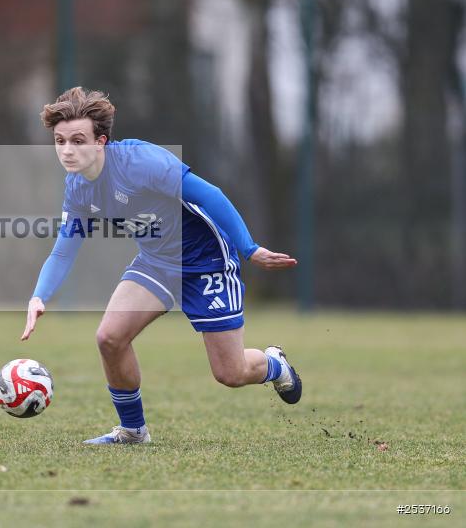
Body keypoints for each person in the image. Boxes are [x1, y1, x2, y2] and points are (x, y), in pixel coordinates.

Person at [21, 87, 301, 445]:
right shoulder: (78, 187)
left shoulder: (141, 161)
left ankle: (275, 364)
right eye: (60, 141)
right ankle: (133, 431)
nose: (67, 150)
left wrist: (249, 249)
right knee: (109, 337)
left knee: (231, 373)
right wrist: (38, 296)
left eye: (78, 140)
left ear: (101, 141)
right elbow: (63, 251)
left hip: (205, 260)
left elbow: (210, 195)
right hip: (156, 263)